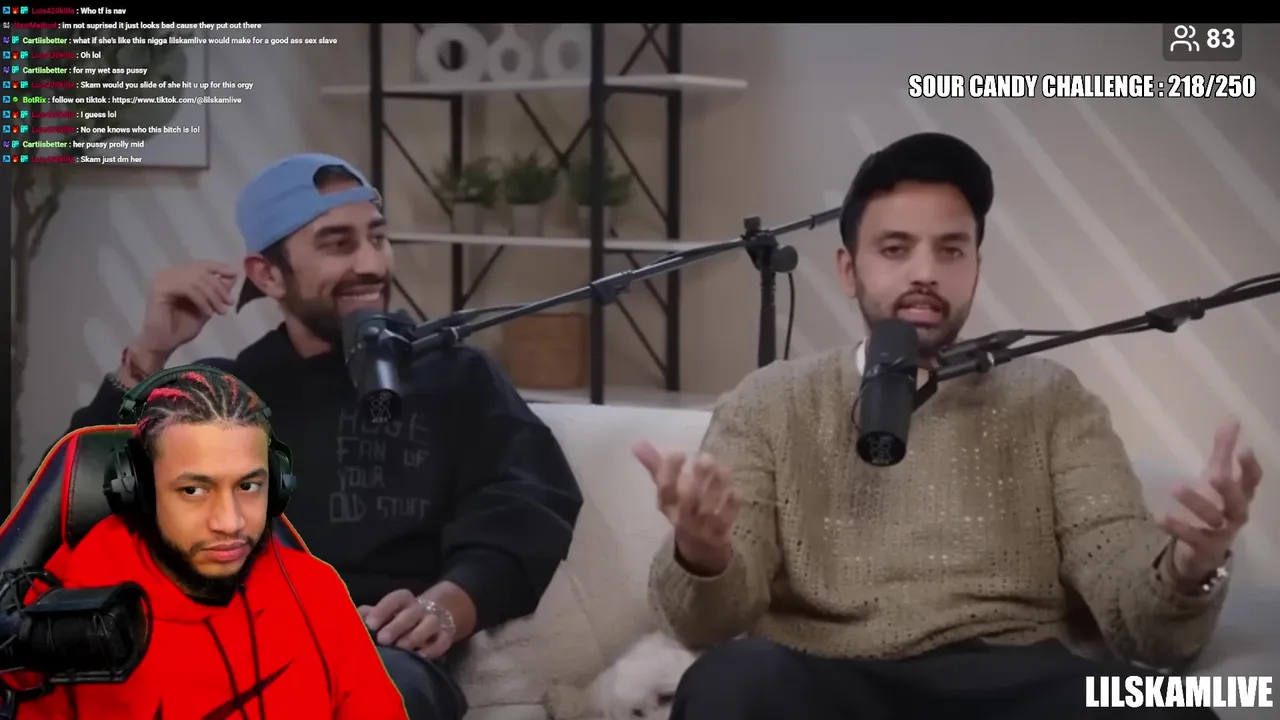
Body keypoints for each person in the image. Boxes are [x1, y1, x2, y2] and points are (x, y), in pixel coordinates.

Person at [640, 133, 1263, 719]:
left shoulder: (1051, 398)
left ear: (976, 267)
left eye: (951, 250)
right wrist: (704, 552)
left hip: (1011, 681)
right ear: (848, 269)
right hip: (831, 680)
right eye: (895, 248)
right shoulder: (769, 401)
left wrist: (1189, 566)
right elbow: (703, 625)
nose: (926, 272)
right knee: (731, 683)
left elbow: (1135, 613)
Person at [59, 153, 583, 720]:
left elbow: (527, 500)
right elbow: (70, 505)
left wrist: (449, 605)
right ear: (267, 275)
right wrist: (149, 352)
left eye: (377, 238)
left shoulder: (456, 375)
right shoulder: (225, 394)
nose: (370, 264)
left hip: (378, 653)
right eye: (338, 244)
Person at [15, 366, 409, 719]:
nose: (230, 522)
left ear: (277, 485)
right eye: (193, 490)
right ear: (141, 491)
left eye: (249, 486)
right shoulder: (65, 616)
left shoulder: (315, 592)